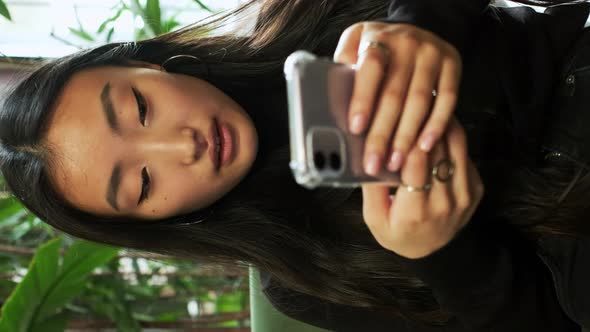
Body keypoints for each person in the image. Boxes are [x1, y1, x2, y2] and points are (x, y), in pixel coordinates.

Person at [1, 0, 589, 330]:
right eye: (142, 183)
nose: (182, 148)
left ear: (152, 65)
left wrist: (417, 24)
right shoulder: (308, 279)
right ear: (155, 222)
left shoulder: (301, 15)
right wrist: (447, 254)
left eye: (139, 106)